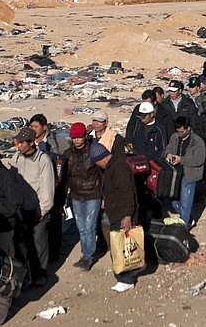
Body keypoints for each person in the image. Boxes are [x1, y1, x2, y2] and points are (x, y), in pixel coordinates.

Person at [91, 143, 140, 293]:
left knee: (122, 248)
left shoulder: (118, 167)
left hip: (122, 214)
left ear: (100, 159)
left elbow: (127, 192)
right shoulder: (112, 166)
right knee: (119, 246)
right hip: (116, 211)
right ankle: (124, 277)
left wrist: (127, 216)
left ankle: (126, 280)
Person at [9, 127, 54, 287]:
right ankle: (26, 274)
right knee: (23, 244)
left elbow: (47, 188)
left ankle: (40, 274)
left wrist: (42, 211)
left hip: (37, 210)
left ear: (31, 143)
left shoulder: (43, 160)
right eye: (18, 143)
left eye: (22, 143)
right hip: (20, 210)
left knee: (38, 244)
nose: (19, 146)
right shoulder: (16, 158)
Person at [29, 114, 69, 263]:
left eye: (35, 127)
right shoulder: (28, 142)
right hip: (35, 188)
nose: (32, 129)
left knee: (54, 221)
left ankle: (54, 254)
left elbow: (66, 159)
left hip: (55, 187)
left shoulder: (56, 141)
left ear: (44, 128)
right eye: (31, 126)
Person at [64, 122, 102, 271]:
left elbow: (102, 175)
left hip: (93, 194)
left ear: (85, 137)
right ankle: (85, 254)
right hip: (76, 195)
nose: (77, 140)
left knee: (89, 227)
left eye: (79, 137)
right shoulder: (68, 154)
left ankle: (88, 257)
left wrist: (104, 196)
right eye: (74, 137)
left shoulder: (94, 151)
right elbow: (65, 177)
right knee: (81, 227)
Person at [164, 116, 206, 228]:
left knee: (186, 204)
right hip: (175, 174)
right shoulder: (174, 137)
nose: (180, 134)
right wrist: (168, 155)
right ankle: (188, 220)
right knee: (173, 201)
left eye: (182, 131)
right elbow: (168, 148)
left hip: (189, 175)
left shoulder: (198, 142)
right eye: (178, 132)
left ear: (188, 128)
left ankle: (184, 228)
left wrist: (181, 159)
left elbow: (199, 159)